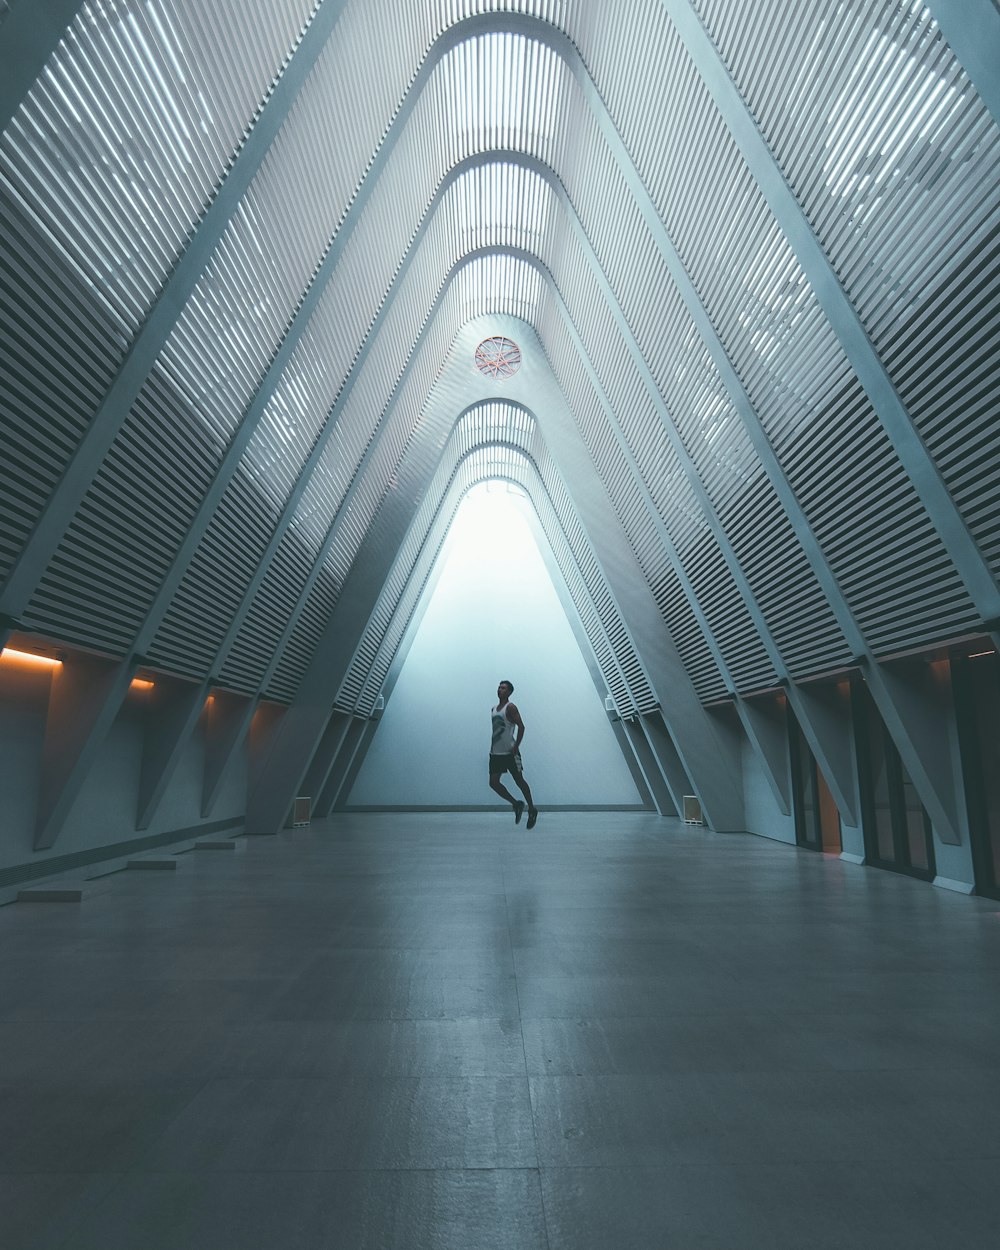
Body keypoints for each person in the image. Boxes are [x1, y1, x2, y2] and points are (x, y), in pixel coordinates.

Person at [489, 679, 538, 829]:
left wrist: (516, 746)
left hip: (510, 753)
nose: (499, 690)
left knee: (519, 781)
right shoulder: (494, 709)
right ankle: (516, 804)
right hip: (496, 753)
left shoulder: (511, 707)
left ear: (509, 692)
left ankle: (531, 809)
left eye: (503, 688)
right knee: (493, 783)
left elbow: (521, 727)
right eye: (499, 687)